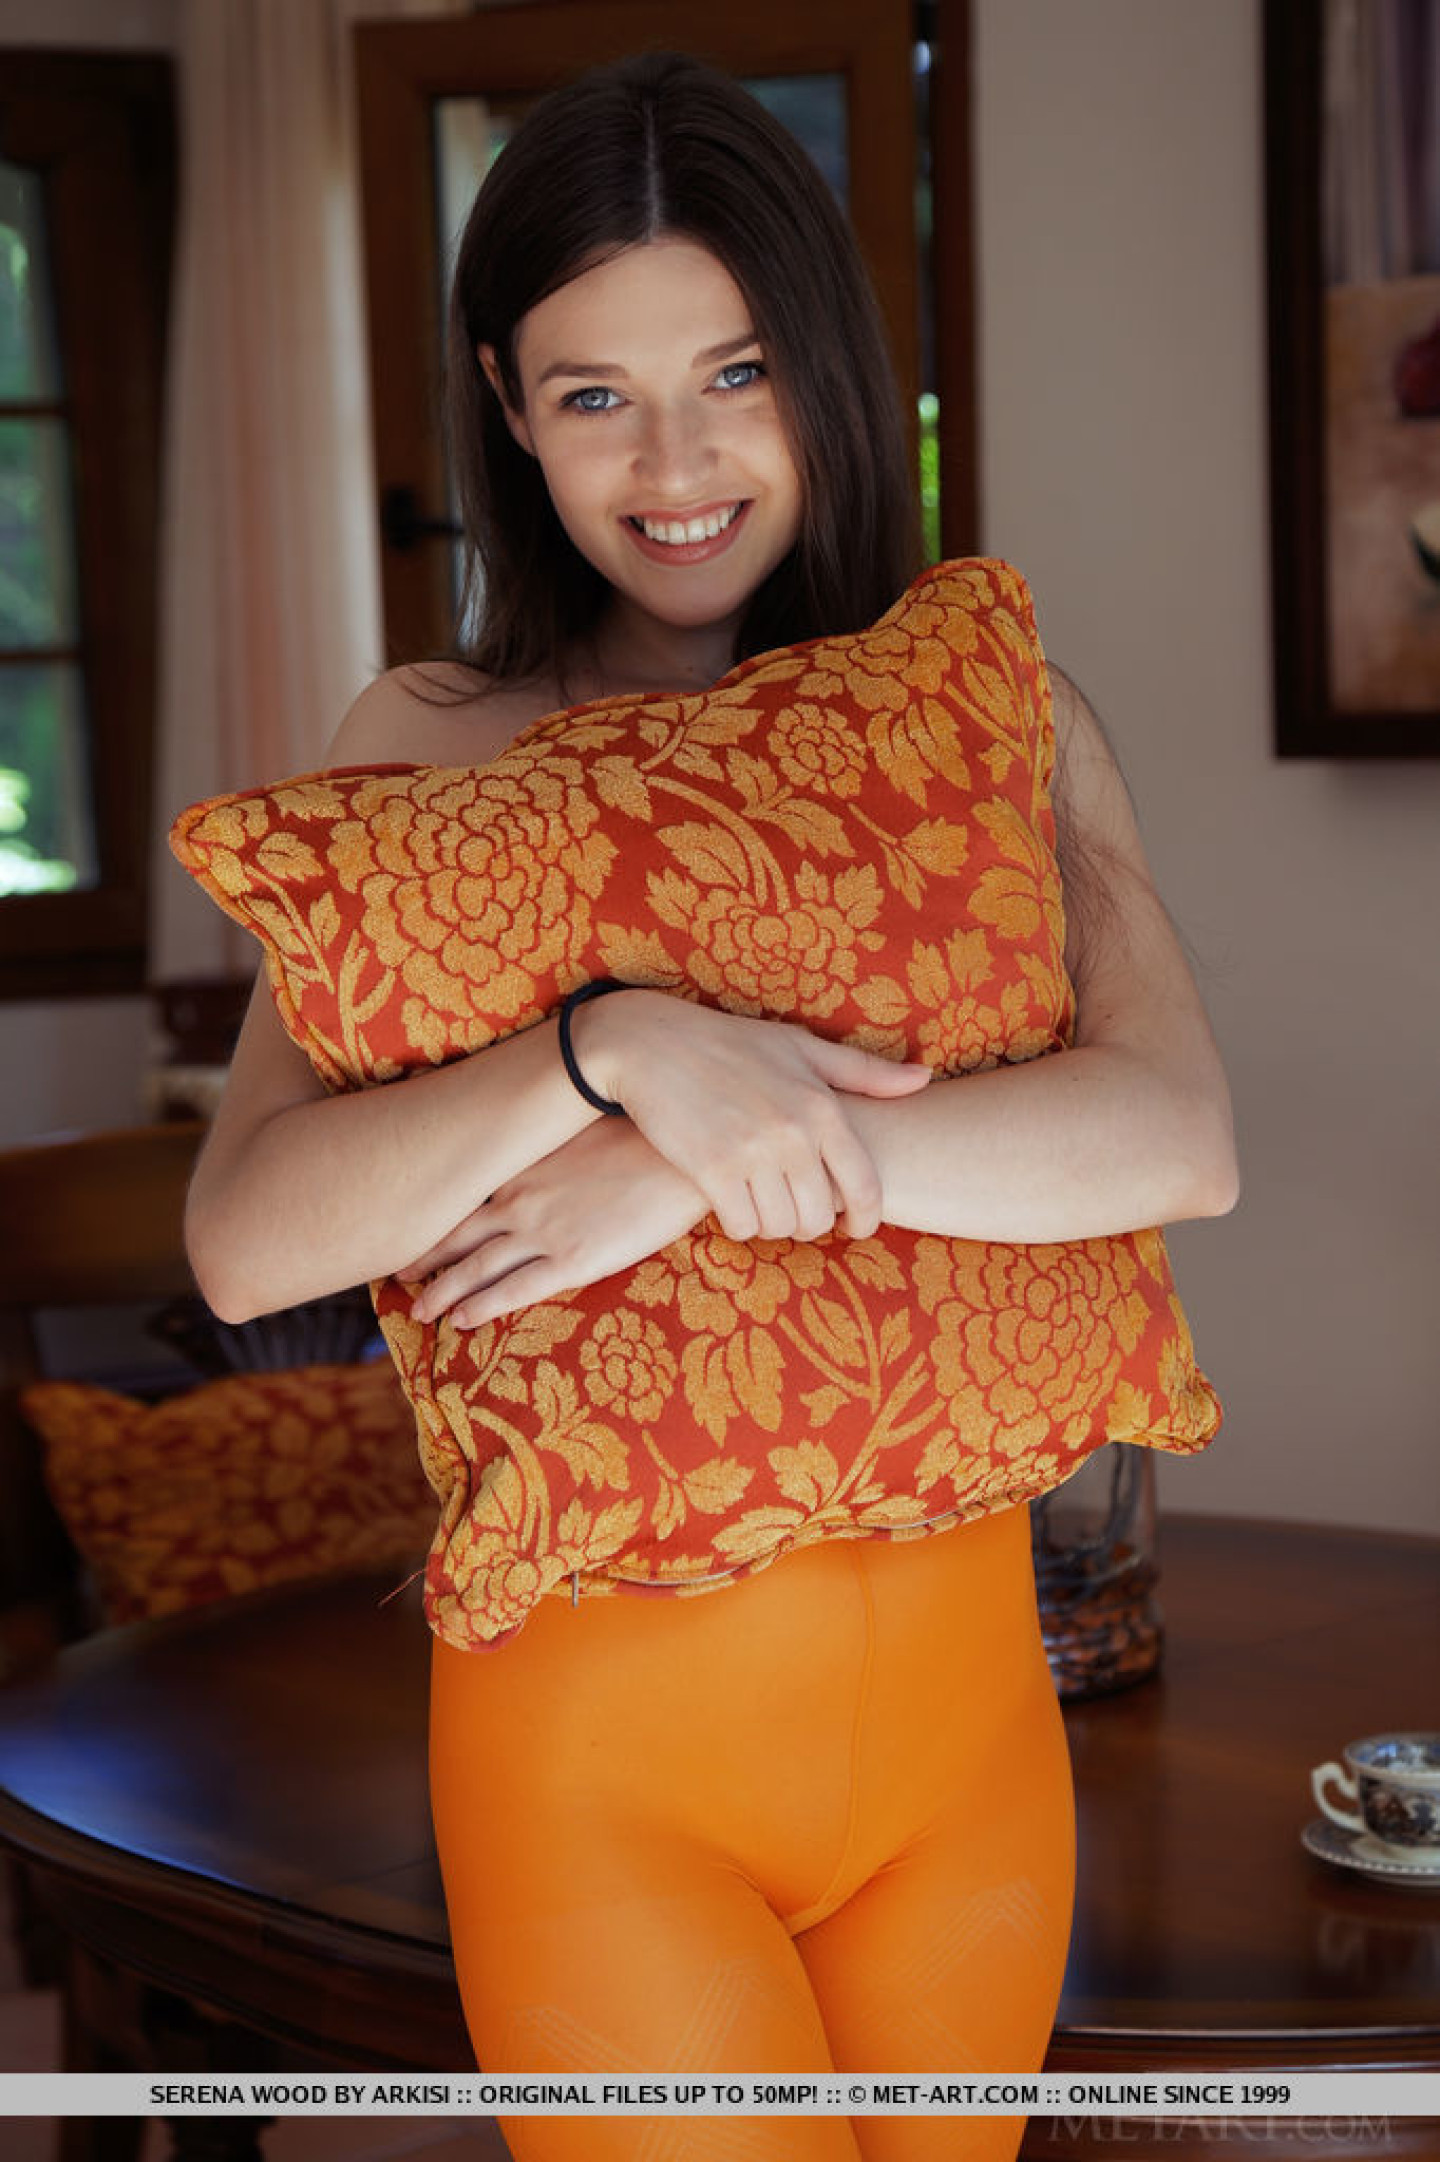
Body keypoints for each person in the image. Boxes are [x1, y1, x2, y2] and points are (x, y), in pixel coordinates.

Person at [184, 51, 1237, 2162]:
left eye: (733, 371)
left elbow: (1173, 1134)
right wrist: (605, 1049)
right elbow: (243, 1240)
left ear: (824, 365)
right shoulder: (434, 750)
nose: (674, 464)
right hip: (603, 1782)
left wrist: (706, 1166)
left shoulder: (991, 719)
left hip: (969, 1758)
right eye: (597, 394)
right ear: (508, 403)